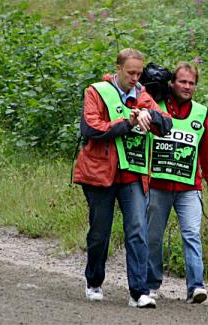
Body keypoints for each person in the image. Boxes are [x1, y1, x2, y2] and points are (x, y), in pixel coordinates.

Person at [73, 48, 172, 308]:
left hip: (133, 174)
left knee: (137, 230)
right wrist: (126, 122)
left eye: (139, 73)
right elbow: (91, 127)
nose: (135, 78)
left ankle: (139, 292)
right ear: (118, 69)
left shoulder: (141, 93)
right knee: (99, 233)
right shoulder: (95, 92)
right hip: (99, 173)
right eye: (130, 73)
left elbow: (167, 125)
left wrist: (151, 118)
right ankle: (94, 281)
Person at [146, 62, 208, 304]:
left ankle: (196, 286)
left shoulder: (201, 112)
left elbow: (206, 147)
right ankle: (151, 284)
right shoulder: (155, 106)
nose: (187, 87)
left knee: (191, 234)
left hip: (189, 187)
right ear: (172, 83)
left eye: (192, 83)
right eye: (183, 82)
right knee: (153, 236)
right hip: (158, 185)